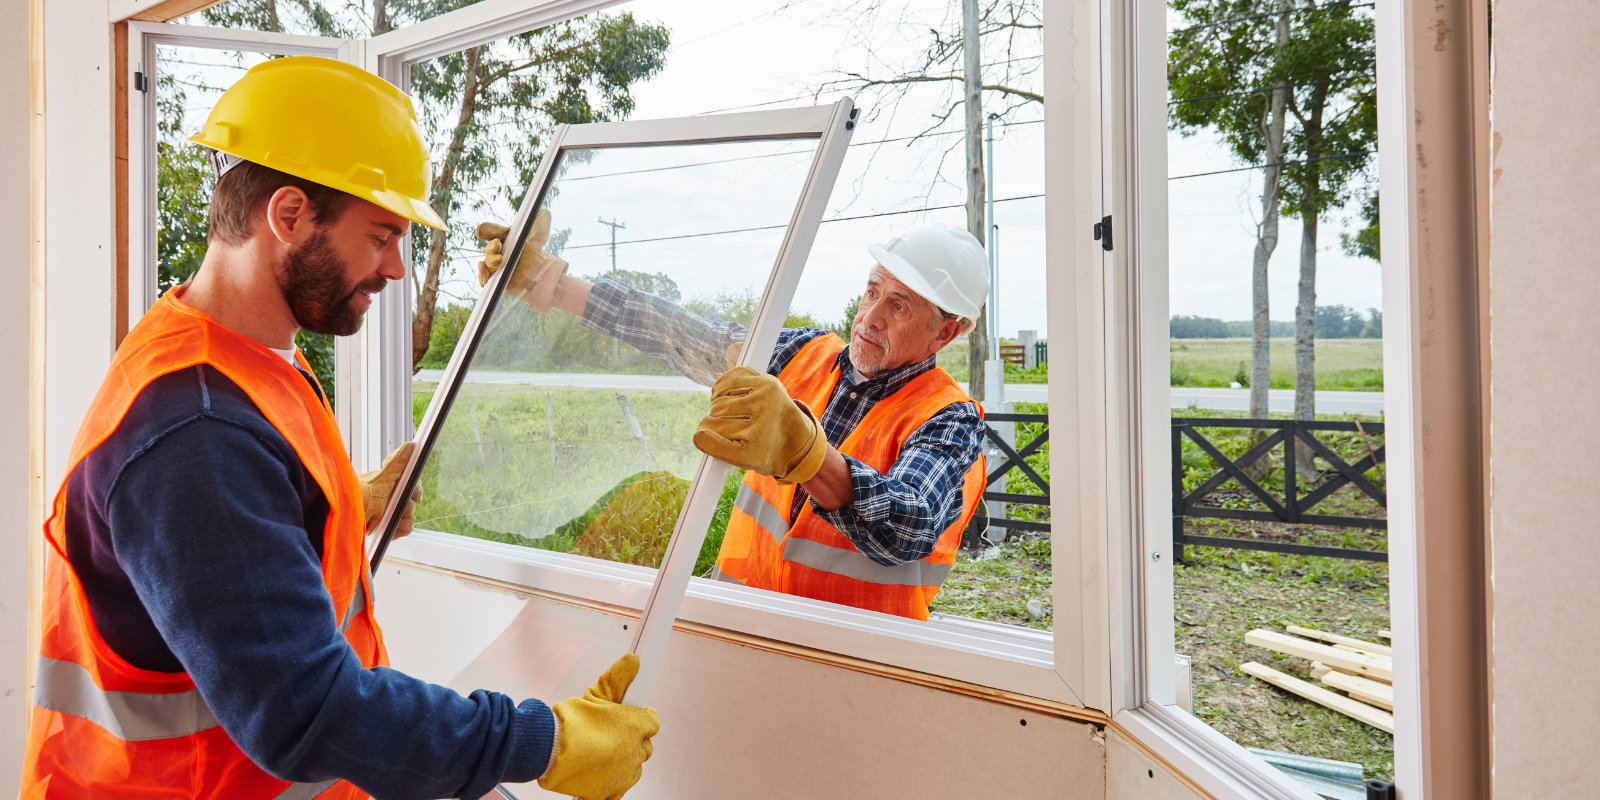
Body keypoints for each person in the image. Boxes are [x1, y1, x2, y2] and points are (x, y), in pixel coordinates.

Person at [21, 57, 657, 800]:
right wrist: (540, 742)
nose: (394, 268)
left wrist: (341, 508)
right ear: (288, 216)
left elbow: (227, 551)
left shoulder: (240, 356)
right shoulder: (195, 431)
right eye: (381, 235)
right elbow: (305, 712)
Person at [476, 213, 990, 621]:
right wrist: (552, 285)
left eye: (899, 307)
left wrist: (806, 455)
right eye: (872, 291)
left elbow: (908, 522)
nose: (871, 317)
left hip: (850, 665)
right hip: (741, 625)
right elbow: (679, 333)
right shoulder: (799, 356)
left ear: (946, 333)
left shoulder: (949, 421)